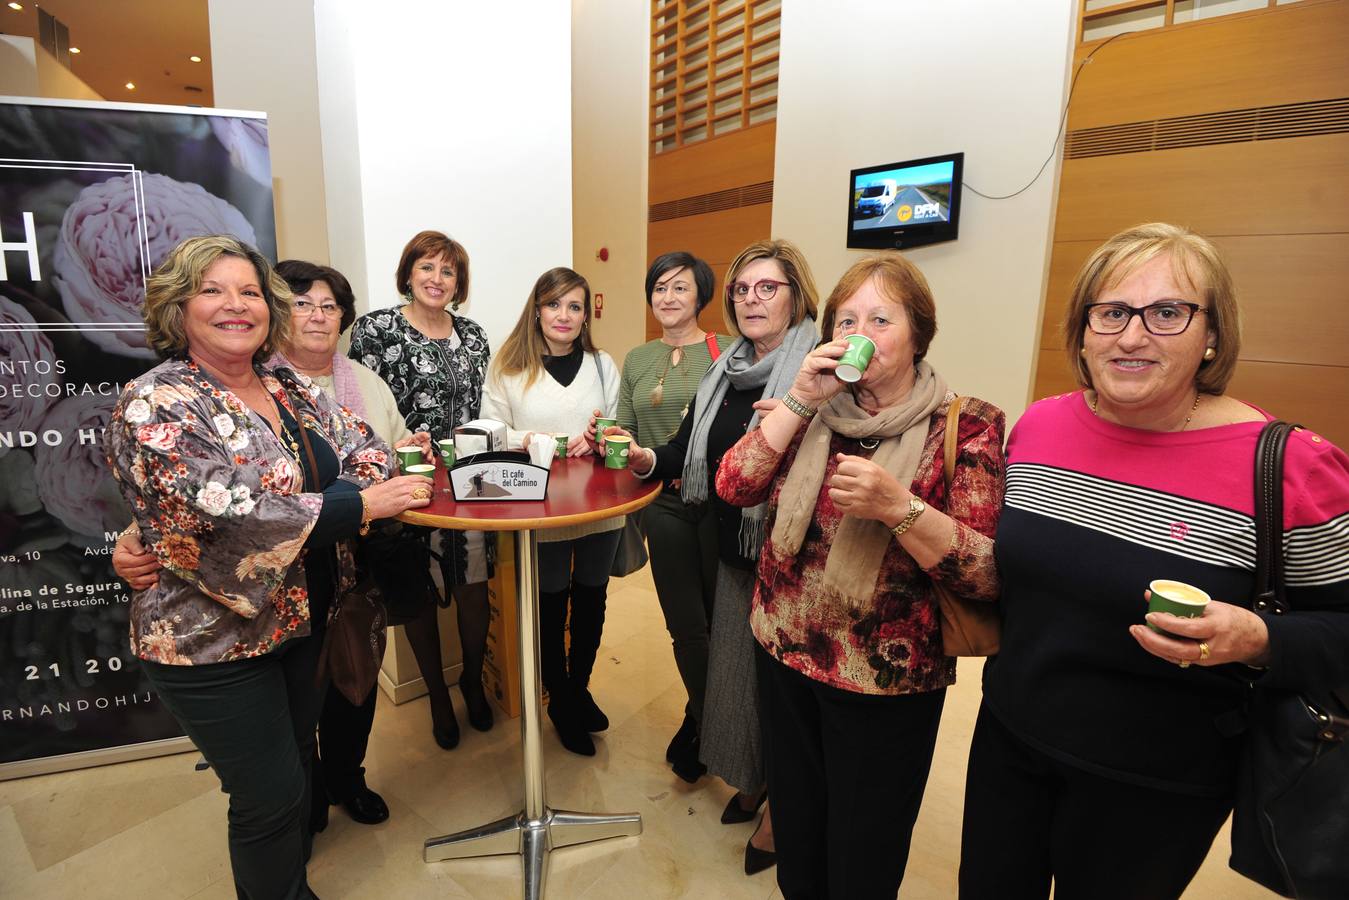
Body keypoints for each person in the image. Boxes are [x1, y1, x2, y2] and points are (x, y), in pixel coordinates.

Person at [959, 223, 1349, 900]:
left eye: (1166, 313)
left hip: (1156, 786)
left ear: (1212, 337)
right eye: (1110, 312)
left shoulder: (1290, 465)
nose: (1131, 337)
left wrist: (1257, 638)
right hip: (1009, 743)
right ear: (1082, 332)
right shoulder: (1040, 426)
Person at [104, 235, 432, 899]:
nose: (236, 304)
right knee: (270, 795)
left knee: (292, 779)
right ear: (180, 307)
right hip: (210, 642)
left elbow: (371, 450)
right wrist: (357, 505)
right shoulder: (157, 402)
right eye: (213, 290)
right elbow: (231, 517)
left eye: (250, 291)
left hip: (301, 623)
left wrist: (341, 496)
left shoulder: (285, 386)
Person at [710, 251, 1005, 898]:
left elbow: (984, 573)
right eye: (845, 321)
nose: (858, 335)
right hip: (781, 649)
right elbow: (732, 486)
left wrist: (900, 510)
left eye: (879, 318)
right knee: (797, 820)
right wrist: (798, 398)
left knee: (863, 847)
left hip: (885, 683)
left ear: (918, 334)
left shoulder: (967, 424)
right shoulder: (813, 407)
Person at [616, 238, 822, 874]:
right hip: (732, 542)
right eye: (743, 289)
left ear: (797, 296)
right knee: (741, 671)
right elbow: (685, 446)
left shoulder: (819, 365)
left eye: (768, 287)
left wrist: (790, 427)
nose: (752, 299)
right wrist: (648, 458)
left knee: (788, 688)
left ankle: (784, 813)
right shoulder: (725, 366)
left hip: (792, 555)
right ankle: (755, 777)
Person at [348, 231, 495, 749]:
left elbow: (484, 407)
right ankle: (436, 695)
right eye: (427, 268)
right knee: (419, 594)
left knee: (475, 586)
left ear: (460, 282)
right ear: (408, 273)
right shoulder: (377, 329)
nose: (437, 279)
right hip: (403, 486)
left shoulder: (474, 336)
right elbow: (357, 408)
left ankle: (471, 682)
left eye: (448, 271)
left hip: (471, 485)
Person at [480, 266, 622, 757]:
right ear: (536, 311)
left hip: (601, 505)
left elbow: (617, 428)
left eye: (575, 306)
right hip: (539, 506)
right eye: (554, 304)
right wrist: (545, 442)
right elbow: (490, 431)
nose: (564, 315)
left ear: (586, 316)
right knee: (550, 602)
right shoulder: (509, 367)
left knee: (592, 599)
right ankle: (560, 698)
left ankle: (576, 689)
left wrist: (603, 434)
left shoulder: (603, 365)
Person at [614, 251, 730, 781]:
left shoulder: (729, 352)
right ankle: (709, 722)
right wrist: (616, 442)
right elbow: (626, 427)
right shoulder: (637, 359)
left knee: (720, 621)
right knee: (685, 625)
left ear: (701, 296)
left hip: (721, 504)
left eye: (680, 288)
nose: (668, 297)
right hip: (662, 502)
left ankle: (703, 718)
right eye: (659, 288)